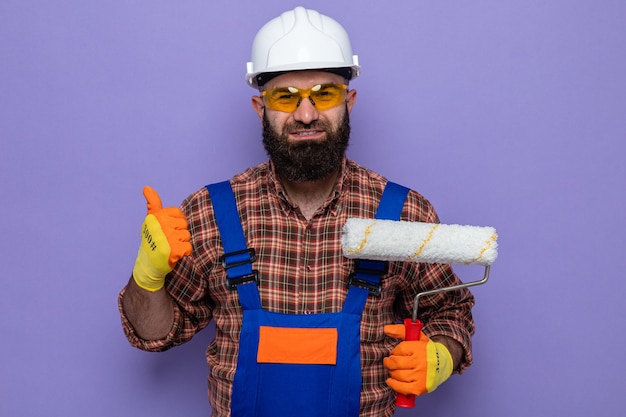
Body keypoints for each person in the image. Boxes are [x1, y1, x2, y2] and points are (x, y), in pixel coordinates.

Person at [118, 6, 475, 417]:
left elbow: (451, 312)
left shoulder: (403, 213)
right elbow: (153, 334)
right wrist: (147, 277)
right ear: (260, 107)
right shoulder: (209, 212)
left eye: (324, 94)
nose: (306, 114)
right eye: (285, 97)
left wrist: (441, 355)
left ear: (350, 100)